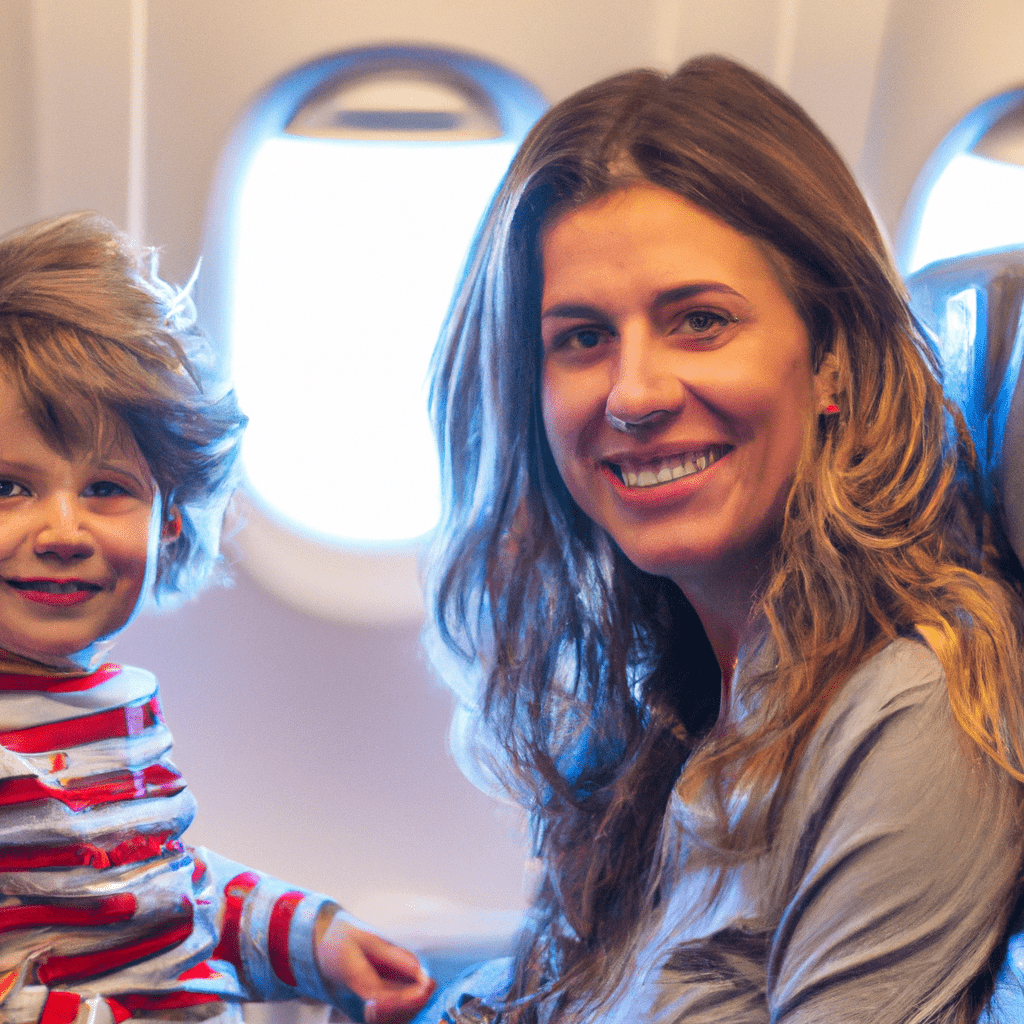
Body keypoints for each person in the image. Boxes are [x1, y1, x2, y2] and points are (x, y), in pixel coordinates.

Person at [421, 55, 1024, 1023]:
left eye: (698, 321)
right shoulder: (659, 696)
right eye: (582, 337)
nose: (634, 393)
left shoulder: (906, 716)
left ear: (828, 357)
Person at [0, 212, 435, 1024]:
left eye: (106, 489)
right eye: (8, 489)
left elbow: (163, 885)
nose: (61, 533)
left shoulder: (115, 706)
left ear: (167, 521)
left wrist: (320, 942)